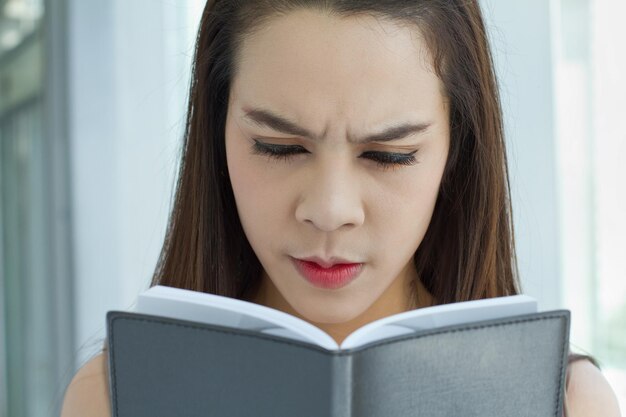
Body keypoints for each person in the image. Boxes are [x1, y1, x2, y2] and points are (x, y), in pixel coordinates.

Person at [61, 1, 621, 416]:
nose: (330, 210)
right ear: (217, 136)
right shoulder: (113, 395)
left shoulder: (567, 402)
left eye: (388, 154)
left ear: (457, 153)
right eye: (279, 147)